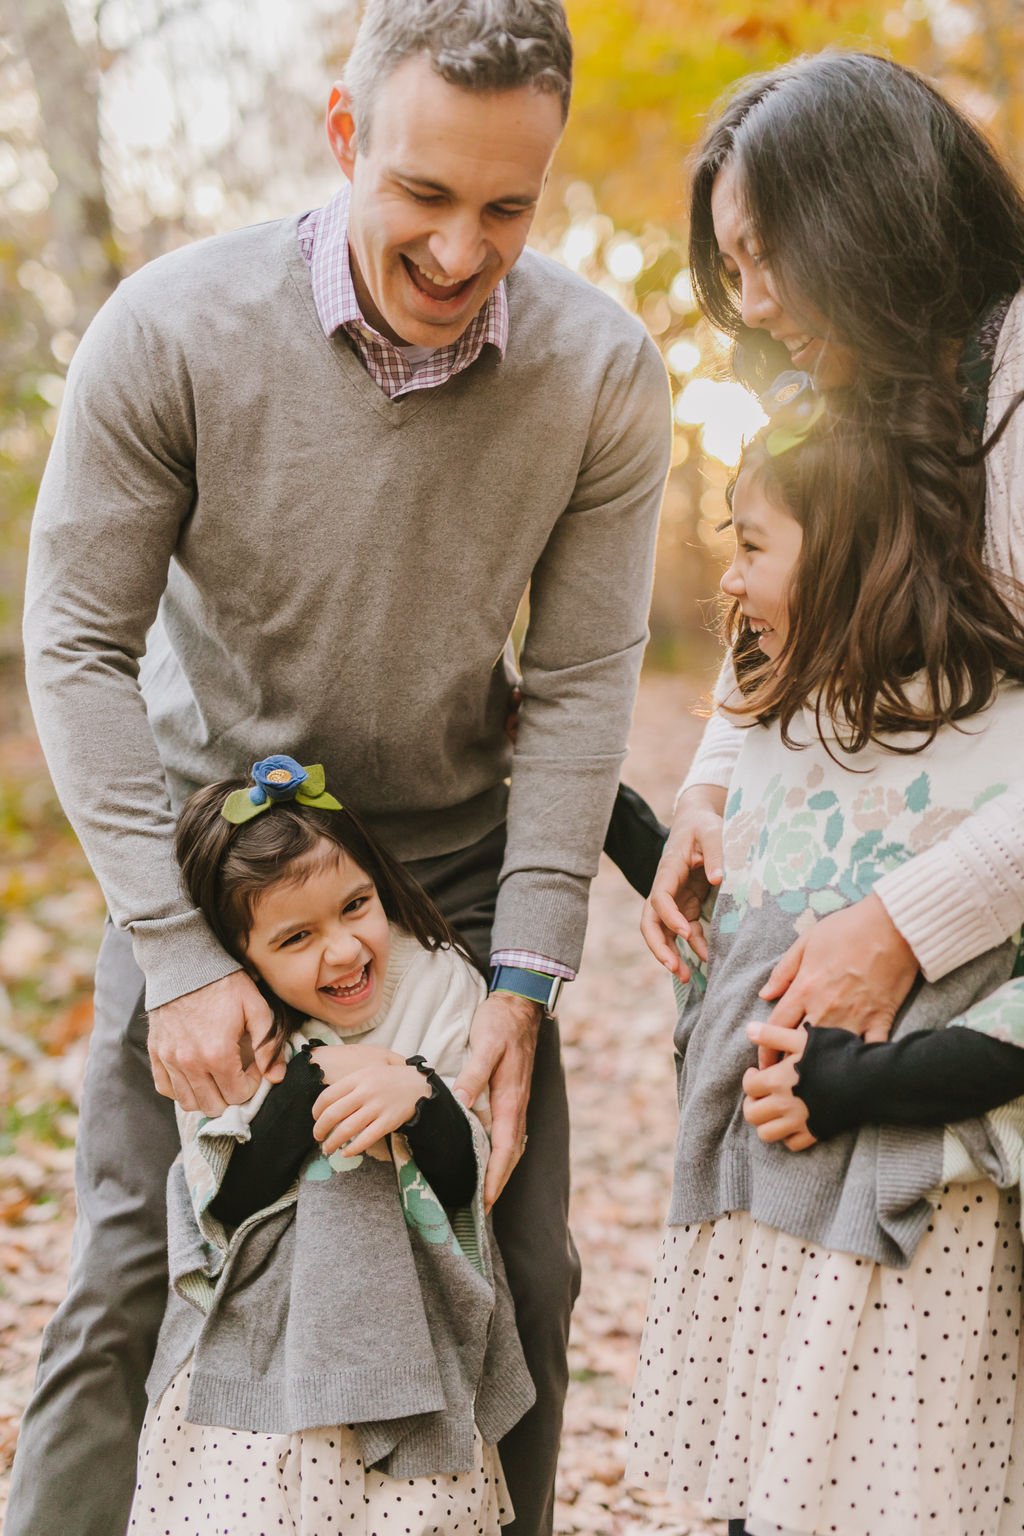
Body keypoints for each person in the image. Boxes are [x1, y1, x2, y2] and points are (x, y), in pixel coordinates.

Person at [11, 3, 671, 1532]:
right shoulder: (168, 329)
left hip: (440, 890)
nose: (460, 252)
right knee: (133, 1279)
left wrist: (523, 986)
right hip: (205, 880)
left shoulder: (600, 370)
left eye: (509, 208)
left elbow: (577, 684)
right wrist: (178, 959)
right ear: (340, 137)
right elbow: (77, 650)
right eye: (424, 197)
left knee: (527, 1274)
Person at [626, 377, 1024, 1536]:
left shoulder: (996, 744)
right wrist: (630, 825)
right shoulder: (791, 717)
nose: (731, 577)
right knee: (774, 1490)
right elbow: (750, 960)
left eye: (753, 546)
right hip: (769, 1217)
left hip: (908, 1228)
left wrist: (861, 1086)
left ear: (850, 555)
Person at [642, 52, 1024, 1059]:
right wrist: (708, 791)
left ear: (867, 209)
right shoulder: (863, 399)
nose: (754, 304)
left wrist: (906, 925)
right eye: (731, 272)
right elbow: (786, 602)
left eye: (766, 254)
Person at [128, 755, 535, 1534]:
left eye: (356, 905)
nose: (345, 950)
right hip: (272, 1329)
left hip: (409, 1332)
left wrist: (418, 1092)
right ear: (243, 960)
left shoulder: (438, 983)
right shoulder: (222, 1027)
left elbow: (468, 1181)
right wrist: (316, 1079)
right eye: (298, 936)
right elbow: (226, 1195)